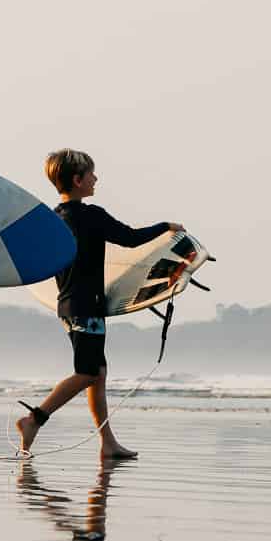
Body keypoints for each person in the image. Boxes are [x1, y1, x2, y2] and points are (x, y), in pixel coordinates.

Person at [15, 151, 180, 460]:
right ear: (77, 180)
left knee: (98, 372)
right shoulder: (91, 216)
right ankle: (34, 420)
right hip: (85, 307)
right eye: (91, 174)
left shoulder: (54, 219)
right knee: (89, 372)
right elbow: (130, 239)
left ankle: (107, 442)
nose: (95, 179)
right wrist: (167, 227)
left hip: (67, 305)